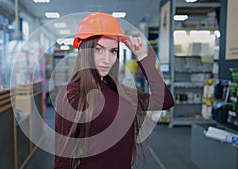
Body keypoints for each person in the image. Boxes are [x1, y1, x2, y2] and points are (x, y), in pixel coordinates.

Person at [54, 12, 174, 169]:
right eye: (99, 50)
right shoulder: (72, 95)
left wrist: (142, 57)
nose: (107, 59)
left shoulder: (119, 91)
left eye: (113, 51)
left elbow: (165, 100)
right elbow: (63, 162)